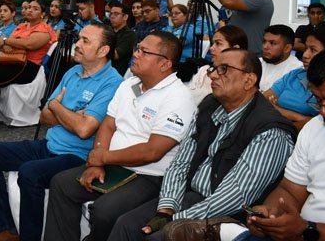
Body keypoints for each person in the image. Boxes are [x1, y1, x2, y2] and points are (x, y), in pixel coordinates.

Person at [109, 49, 296, 240]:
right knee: (126, 225)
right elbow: (182, 162)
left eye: (224, 69)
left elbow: (237, 196)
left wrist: (177, 219)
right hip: (190, 197)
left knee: (156, 237)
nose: (213, 74)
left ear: (249, 80)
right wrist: (166, 209)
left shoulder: (270, 131)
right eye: (213, 68)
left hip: (229, 216)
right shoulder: (210, 105)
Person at [44, 32, 197, 241]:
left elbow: (152, 151)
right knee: (62, 183)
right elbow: (108, 125)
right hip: (113, 164)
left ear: (165, 64)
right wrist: (97, 162)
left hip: (149, 175)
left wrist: (102, 158)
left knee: (105, 210)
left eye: (144, 52)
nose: (136, 54)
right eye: (137, 48)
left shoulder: (178, 98)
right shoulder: (128, 84)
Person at [204, 47, 325, 241]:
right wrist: (271, 215)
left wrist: (309, 231)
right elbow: (289, 190)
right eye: (318, 101)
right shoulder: (316, 128)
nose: (324, 112)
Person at [0, 23, 123, 241]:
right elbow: (43, 115)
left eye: (85, 41)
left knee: (30, 173)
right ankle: (5, 228)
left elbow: (84, 130)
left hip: (77, 156)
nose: (76, 45)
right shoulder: (73, 71)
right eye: (79, 39)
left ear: (103, 51)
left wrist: (58, 107)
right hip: (50, 144)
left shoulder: (112, 83)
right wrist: (70, 114)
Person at [0, 0, 57, 131]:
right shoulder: (22, 26)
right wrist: (7, 44)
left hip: (29, 66)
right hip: (12, 60)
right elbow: (7, 44)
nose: (29, 10)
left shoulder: (44, 28)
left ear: (42, 14)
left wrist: (6, 40)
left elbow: (30, 44)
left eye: (35, 8)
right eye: (28, 8)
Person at [264, 26, 325, 130]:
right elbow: (261, 102)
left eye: (313, 50)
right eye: (305, 49)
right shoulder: (295, 75)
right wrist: (301, 118)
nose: (305, 55)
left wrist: (278, 110)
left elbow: (320, 126)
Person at [187, 25, 248, 104]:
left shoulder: (242, 79)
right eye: (212, 43)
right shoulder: (204, 70)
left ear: (235, 49)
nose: (211, 48)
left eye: (218, 43)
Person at [260, 25, 303, 92]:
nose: (265, 47)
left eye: (272, 43)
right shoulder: (257, 62)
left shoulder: (297, 70)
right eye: (264, 42)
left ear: (287, 48)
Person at [106, 1, 136, 76]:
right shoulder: (107, 31)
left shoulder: (130, 34)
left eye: (116, 14)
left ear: (125, 17)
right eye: (111, 14)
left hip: (117, 72)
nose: (112, 16)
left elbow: (116, 55)